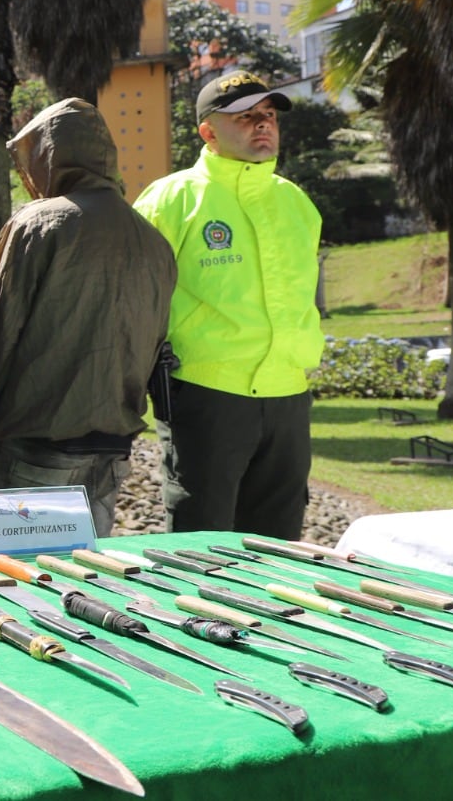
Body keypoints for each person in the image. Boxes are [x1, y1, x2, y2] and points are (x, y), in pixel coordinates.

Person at [0, 99, 176, 537]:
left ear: (50, 155)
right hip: (111, 447)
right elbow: (153, 343)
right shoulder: (153, 240)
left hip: (34, 443)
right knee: (79, 583)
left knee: (8, 581)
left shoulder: (38, 224)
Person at [132, 70, 325, 539]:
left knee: (279, 545)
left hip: (288, 397)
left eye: (269, 115)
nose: (262, 125)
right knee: (204, 543)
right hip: (205, 395)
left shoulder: (297, 203)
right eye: (245, 117)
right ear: (208, 132)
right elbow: (133, 302)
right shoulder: (170, 198)